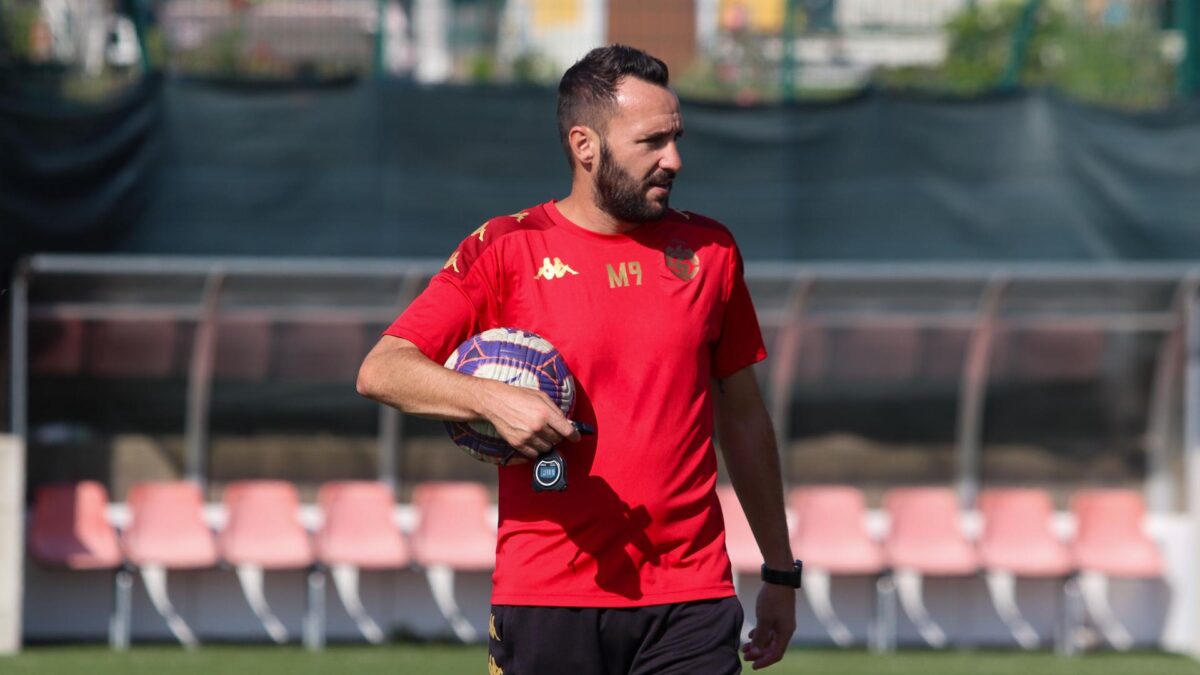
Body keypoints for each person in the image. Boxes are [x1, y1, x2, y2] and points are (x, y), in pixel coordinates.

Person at [357, 44, 798, 673]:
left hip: (690, 597)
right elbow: (382, 368)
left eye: (675, 138)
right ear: (584, 145)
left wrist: (779, 570)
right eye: (651, 142)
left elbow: (745, 418)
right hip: (547, 596)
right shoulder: (506, 248)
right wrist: (488, 398)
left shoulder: (710, 251)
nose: (674, 159)